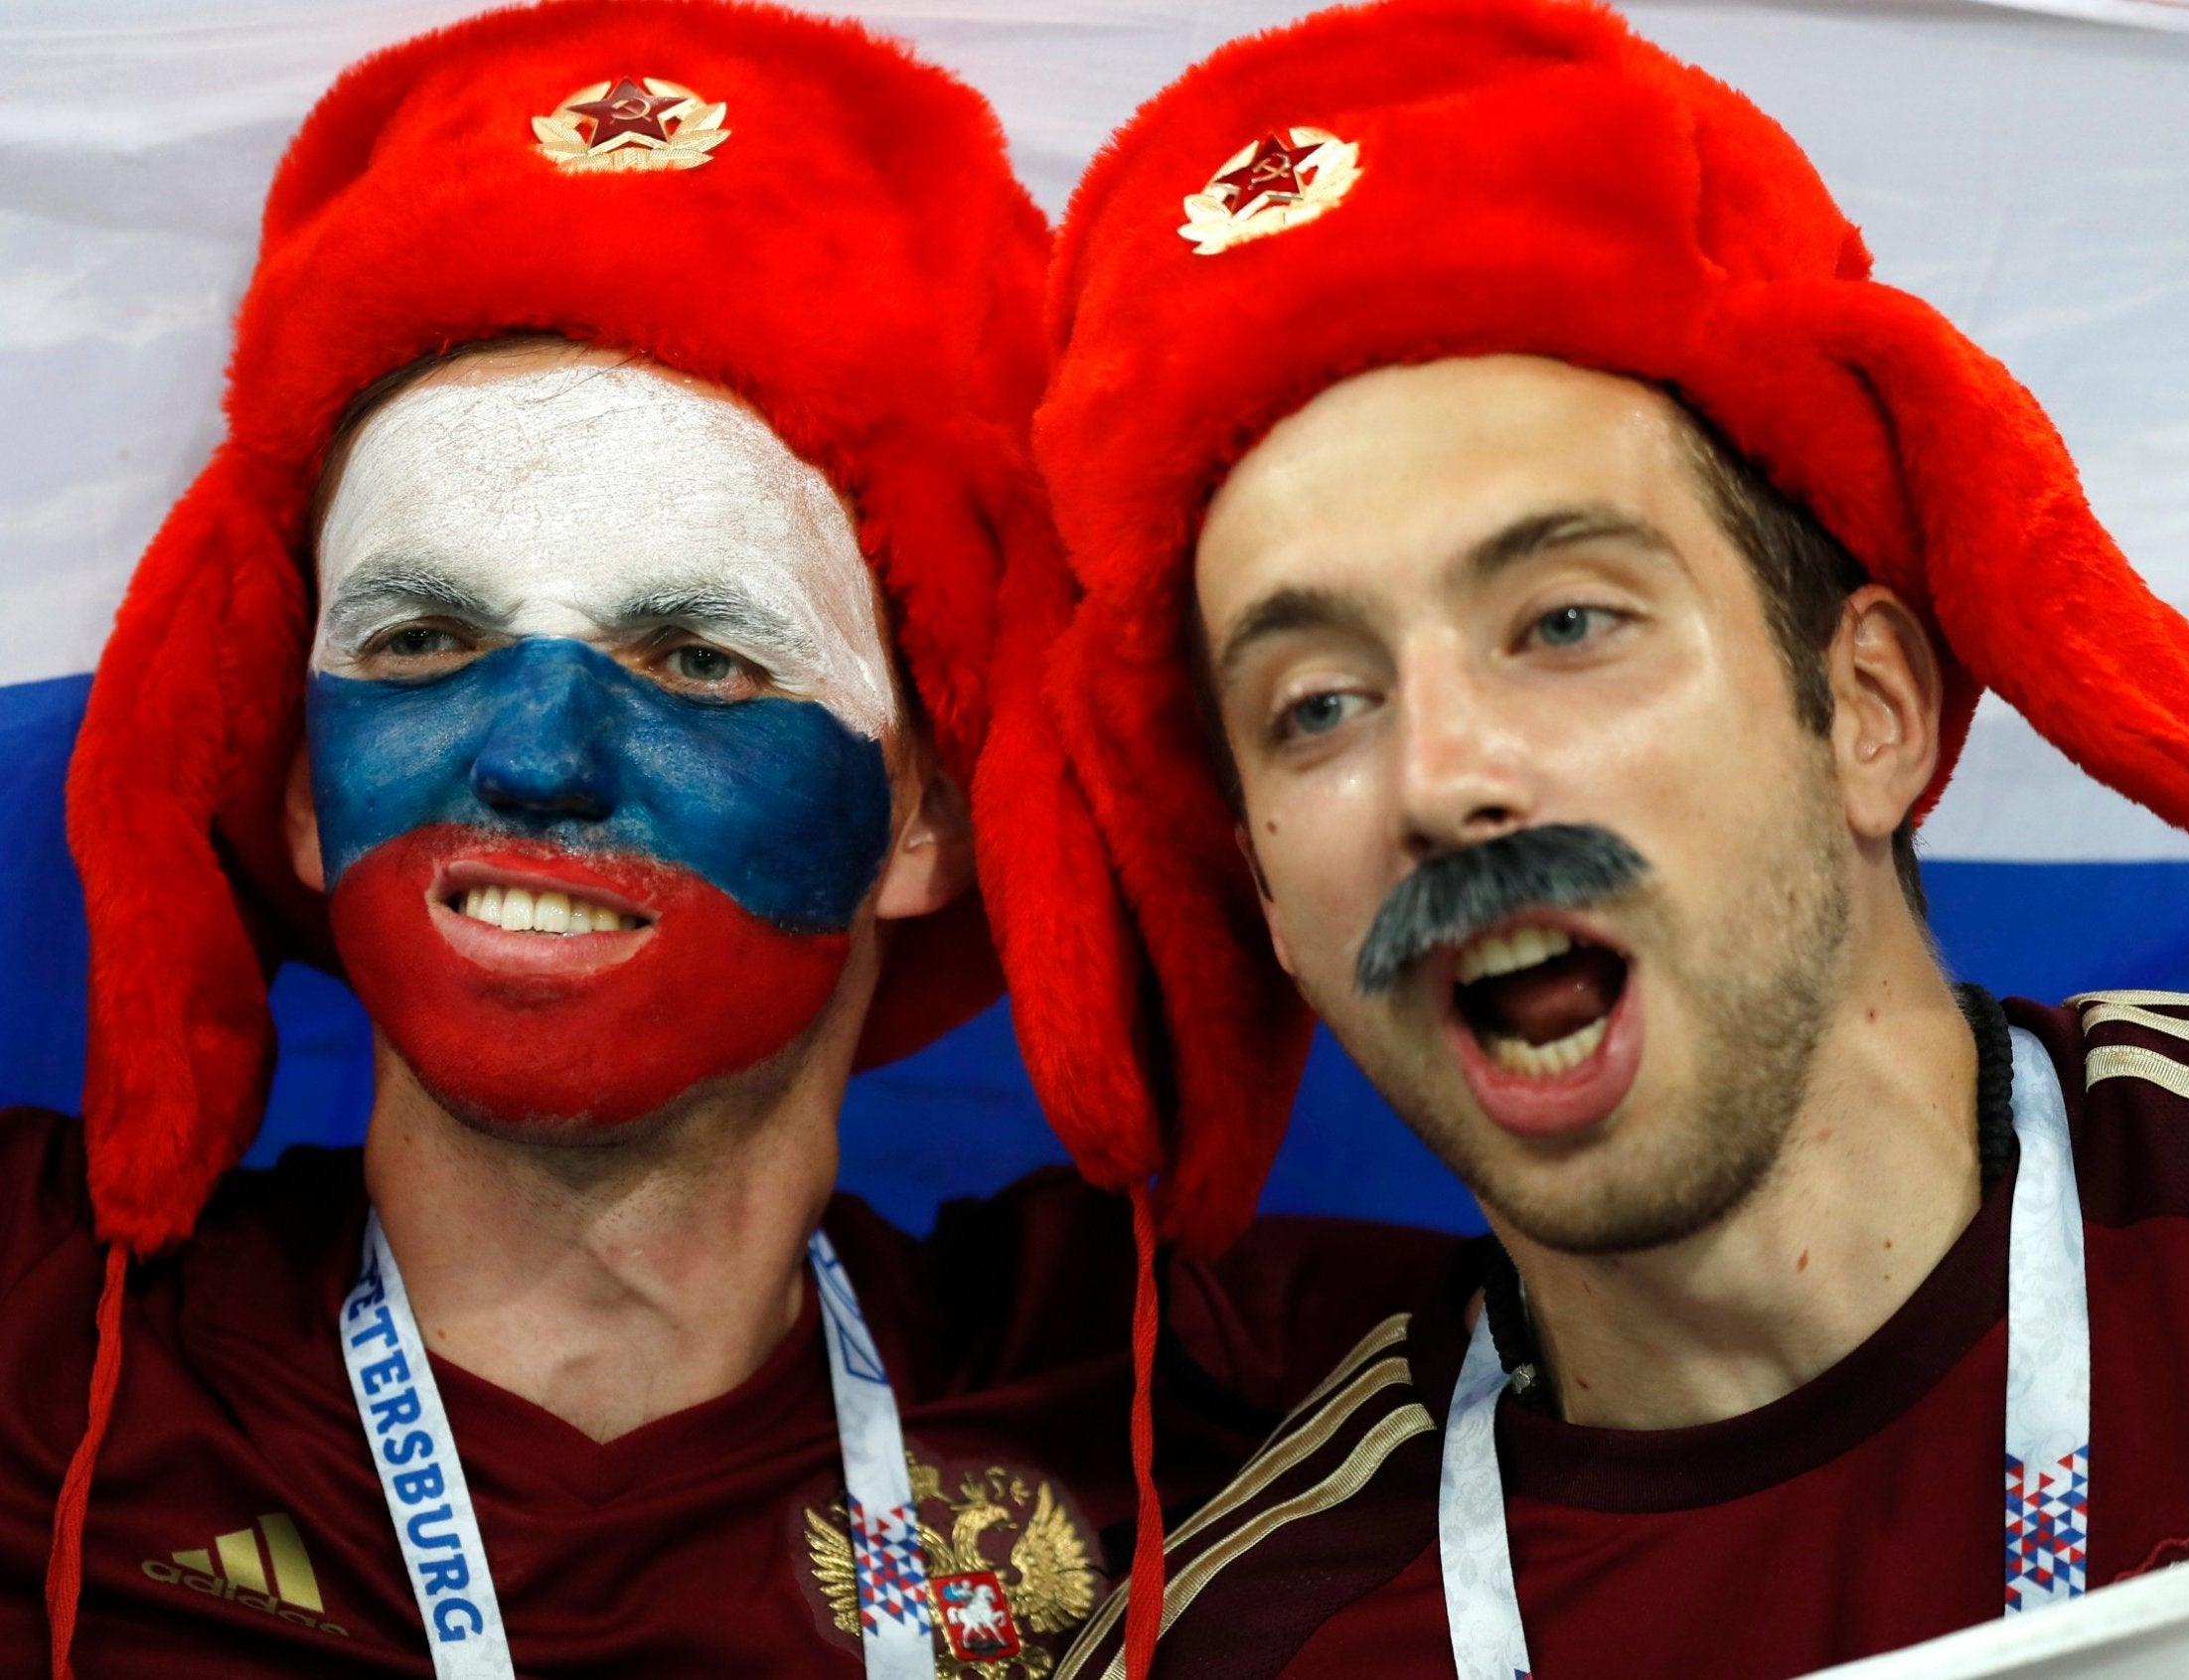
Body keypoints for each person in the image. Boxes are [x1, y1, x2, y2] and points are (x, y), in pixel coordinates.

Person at [0, 4, 1453, 1675]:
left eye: (699, 656)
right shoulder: (44, 1339)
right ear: (307, 796)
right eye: (421, 643)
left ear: (924, 817)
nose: (536, 755)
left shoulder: (1204, 1390)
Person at [981, 1, 2189, 1675]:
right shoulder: (1258, 1648)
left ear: (1871, 709)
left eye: (1566, 622)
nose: (1441, 777)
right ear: (1268, 898)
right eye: (1317, 706)